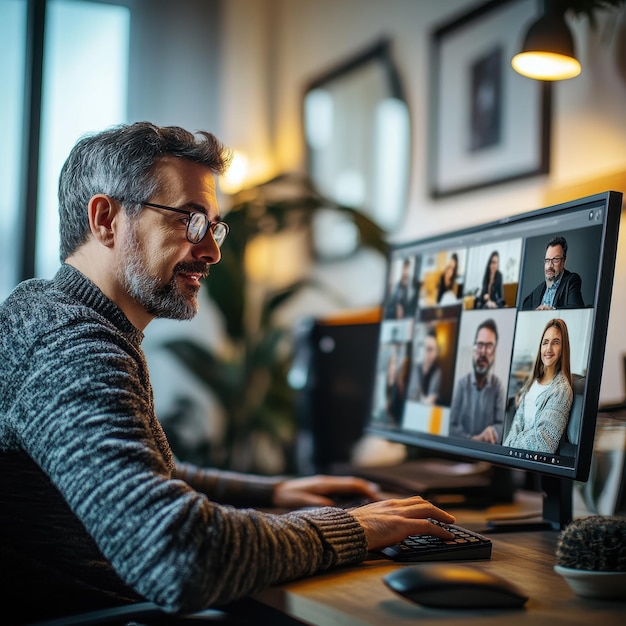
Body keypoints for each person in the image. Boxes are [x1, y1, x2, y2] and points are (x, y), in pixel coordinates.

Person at [0, 122, 456, 624]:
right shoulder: (71, 347)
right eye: (189, 221)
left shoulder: (47, 310)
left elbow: (133, 467)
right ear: (106, 218)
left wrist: (270, 493)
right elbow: (178, 557)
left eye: (213, 227)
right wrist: (351, 528)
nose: (213, 251)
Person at [504, 318, 573, 453]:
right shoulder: (531, 384)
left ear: (563, 348)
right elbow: (515, 427)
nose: (548, 348)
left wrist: (511, 445)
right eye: (545, 342)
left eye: (556, 342)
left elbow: (544, 444)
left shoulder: (562, 390)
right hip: (514, 457)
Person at [449, 319, 505, 443]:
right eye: (480, 345)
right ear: (474, 349)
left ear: (494, 352)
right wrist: (472, 440)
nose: (483, 352)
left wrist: (492, 432)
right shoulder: (461, 385)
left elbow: (502, 426)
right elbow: (451, 427)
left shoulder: (498, 387)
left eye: (489, 346)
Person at [521, 236, 584, 310]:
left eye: (555, 260)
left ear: (564, 261)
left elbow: (576, 309)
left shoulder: (571, 281)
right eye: (547, 260)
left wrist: (552, 310)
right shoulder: (538, 291)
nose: (550, 265)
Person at [407, 328, 441, 405]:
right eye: (427, 349)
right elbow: (411, 395)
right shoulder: (416, 369)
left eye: (432, 349)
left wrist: (421, 398)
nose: (430, 354)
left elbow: (431, 400)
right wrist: (422, 399)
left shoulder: (437, 372)